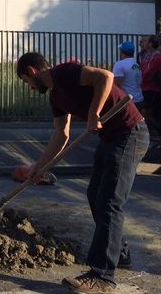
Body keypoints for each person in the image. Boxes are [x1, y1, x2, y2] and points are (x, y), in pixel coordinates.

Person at [16, 52, 148, 294]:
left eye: (27, 82)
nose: (31, 89)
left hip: (131, 132)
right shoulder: (56, 97)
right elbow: (61, 135)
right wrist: (38, 168)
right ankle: (119, 252)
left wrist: (93, 112)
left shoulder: (64, 72)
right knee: (94, 194)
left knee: (109, 201)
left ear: (32, 72)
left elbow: (105, 77)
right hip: (111, 138)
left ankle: (103, 276)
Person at [139, 34, 161, 137]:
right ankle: (150, 134)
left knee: (150, 113)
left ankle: (154, 134)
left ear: (151, 44)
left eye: (146, 41)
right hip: (145, 88)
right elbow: (143, 70)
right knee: (146, 113)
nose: (143, 42)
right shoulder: (146, 56)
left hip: (153, 90)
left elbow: (148, 72)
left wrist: (143, 77)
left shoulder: (157, 57)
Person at [112, 41, 144, 110]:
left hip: (127, 101)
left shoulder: (119, 64)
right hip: (139, 99)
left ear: (122, 51)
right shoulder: (136, 64)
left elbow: (116, 84)